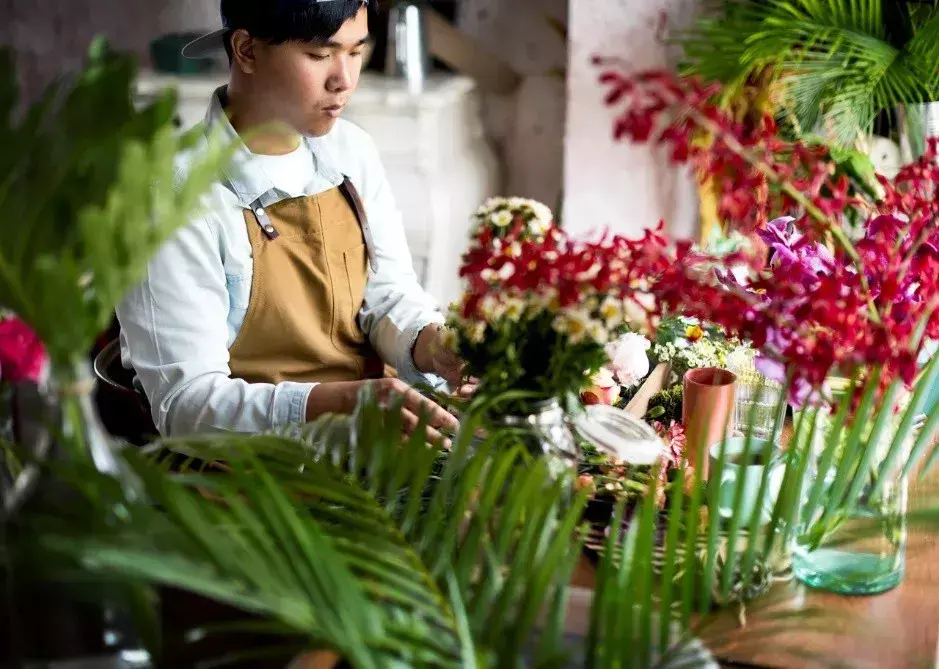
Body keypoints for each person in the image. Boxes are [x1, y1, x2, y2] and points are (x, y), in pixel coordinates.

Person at [116, 0, 468, 443]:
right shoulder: (171, 193)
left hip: (373, 454)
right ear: (246, 50)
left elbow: (386, 294)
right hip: (251, 481)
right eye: (320, 55)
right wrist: (337, 404)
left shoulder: (352, 151)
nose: (344, 80)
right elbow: (187, 406)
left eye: (356, 52)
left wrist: (435, 346)